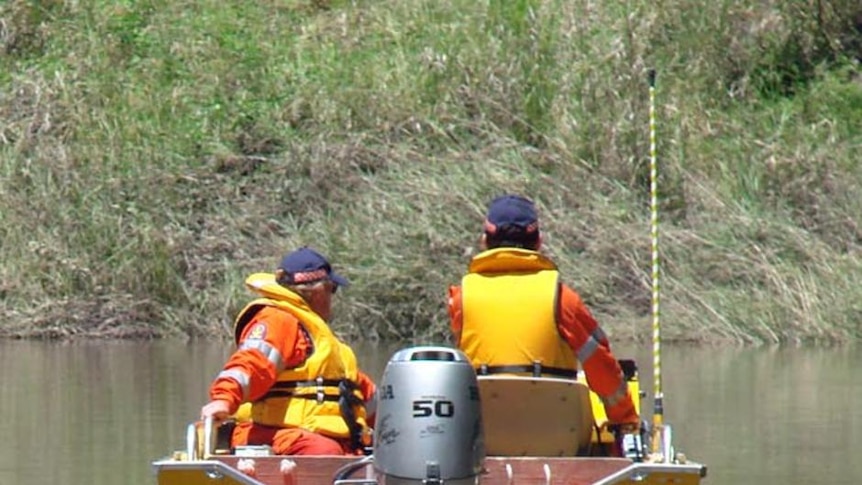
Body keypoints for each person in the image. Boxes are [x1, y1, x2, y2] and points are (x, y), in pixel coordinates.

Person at [447, 194, 640, 430]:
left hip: (484, 441)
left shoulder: (461, 299)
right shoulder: (563, 299)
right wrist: (625, 419)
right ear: (539, 242)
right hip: (559, 439)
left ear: (485, 241)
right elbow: (602, 368)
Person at [200, 247, 377, 456]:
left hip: (323, 438)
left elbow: (361, 393)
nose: (332, 298)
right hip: (273, 433)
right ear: (317, 290)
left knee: (369, 453)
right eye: (332, 290)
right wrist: (224, 399)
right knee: (323, 452)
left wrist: (398, 421)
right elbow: (251, 363)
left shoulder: (331, 346)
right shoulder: (278, 320)